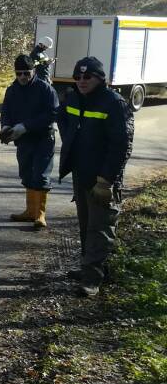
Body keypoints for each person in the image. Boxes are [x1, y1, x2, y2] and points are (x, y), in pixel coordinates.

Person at [57, 56, 134, 297]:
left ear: (100, 79)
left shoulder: (113, 103)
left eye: (87, 77)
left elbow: (122, 144)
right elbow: (63, 120)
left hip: (103, 178)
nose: (81, 81)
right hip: (81, 174)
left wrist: (107, 179)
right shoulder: (73, 98)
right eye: (77, 77)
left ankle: (92, 279)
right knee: (85, 224)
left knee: (100, 228)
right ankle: (89, 268)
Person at [0, 54, 59, 229]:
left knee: (40, 175)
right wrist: (5, 127)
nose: (23, 77)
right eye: (19, 74)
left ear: (33, 71)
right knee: (26, 173)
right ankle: (29, 211)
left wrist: (26, 126)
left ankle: (40, 215)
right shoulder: (12, 90)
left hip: (43, 138)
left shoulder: (45, 89)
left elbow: (53, 113)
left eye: (26, 73)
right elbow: (6, 111)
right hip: (23, 140)